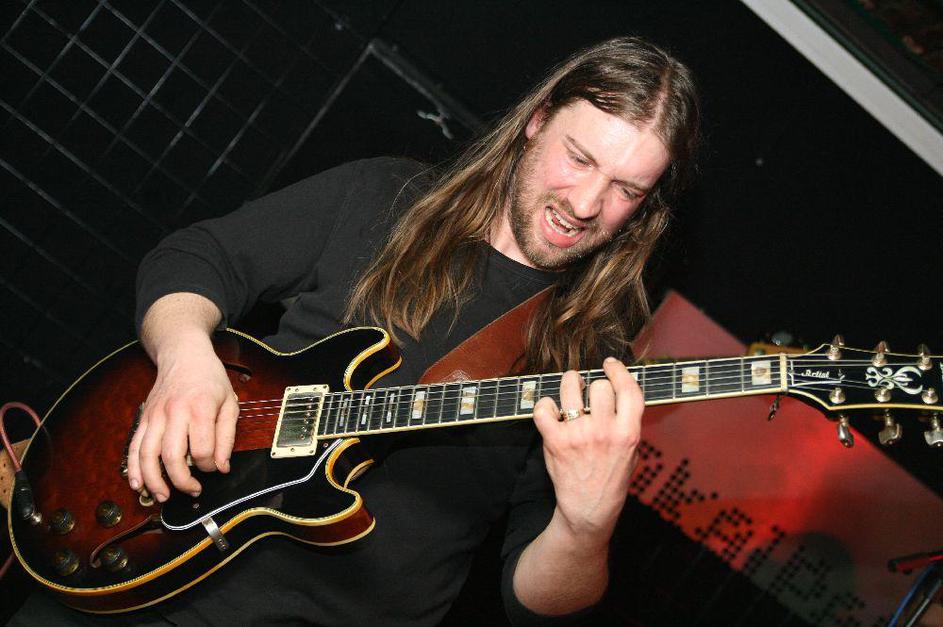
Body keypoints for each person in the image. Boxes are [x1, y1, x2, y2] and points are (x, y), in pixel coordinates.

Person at [12, 36, 699, 625]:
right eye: (578, 158)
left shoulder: (593, 367)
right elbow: (198, 257)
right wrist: (187, 359)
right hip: (141, 576)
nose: (587, 203)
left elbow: (534, 604)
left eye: (626, 190)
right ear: (537, 120)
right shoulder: (387, 197)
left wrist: (586, 522)